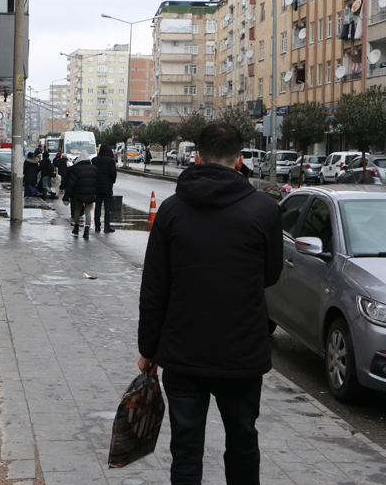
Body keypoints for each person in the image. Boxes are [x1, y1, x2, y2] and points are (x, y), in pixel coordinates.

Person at [137, 123, 283, 485]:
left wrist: (148, 349)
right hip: (242, 352)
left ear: (198, 158)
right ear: (240, 161)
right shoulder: (264, 210)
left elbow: (155, 288)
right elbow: (270, 274)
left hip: (183, 351)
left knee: (185, 448)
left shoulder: (171, 211)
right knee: (243, 441)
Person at [62, 150, 99, 239]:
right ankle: (86, 229)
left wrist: (66, 196)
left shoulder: (75, 168)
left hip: (77, 194)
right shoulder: (94, 168)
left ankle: (76, 228)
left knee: (77, 210)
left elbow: (71, 184)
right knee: (88, 211)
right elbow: (97, 183)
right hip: (90, 194)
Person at [92, 144, 117, 233]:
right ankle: (107, 226)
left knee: (97, 206)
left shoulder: (94, 160)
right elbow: (113, 173)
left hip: (97, 187)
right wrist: (112, 181)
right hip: (107, 187)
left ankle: (97, 226)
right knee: (107, 207)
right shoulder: (110, 161)